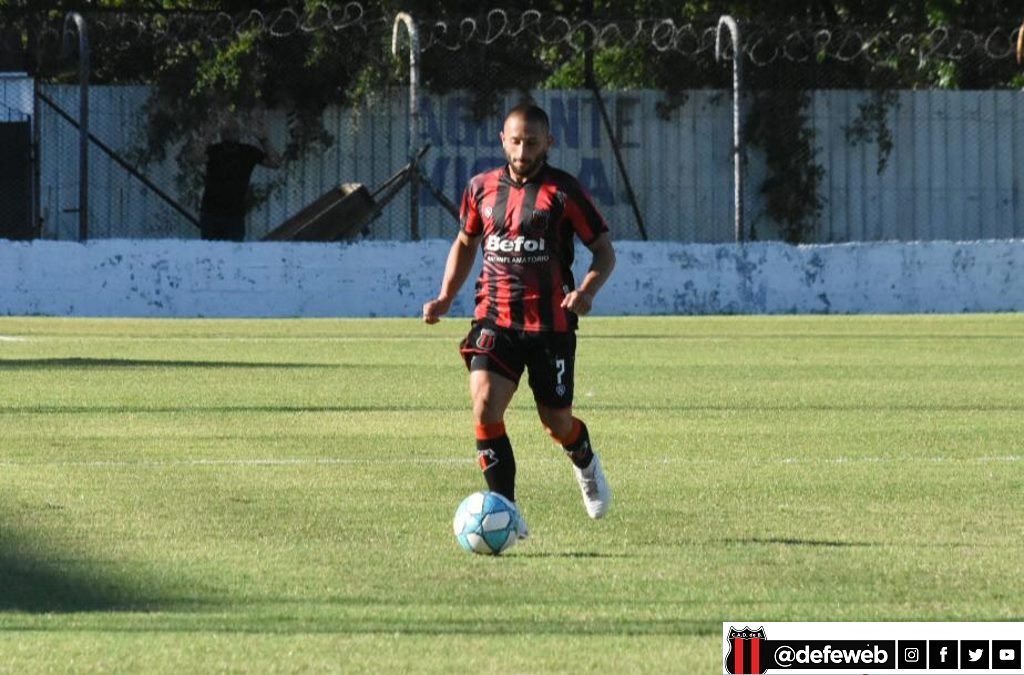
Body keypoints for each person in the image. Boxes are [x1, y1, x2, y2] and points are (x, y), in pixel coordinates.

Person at [422, 102, 617, 537]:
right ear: (502, 141)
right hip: (495, 320)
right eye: (516, 141)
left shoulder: (564, 192)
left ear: (549, 142)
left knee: (557, 423)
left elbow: (604, 251)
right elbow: (465, 242)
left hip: (551, 326)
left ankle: (585, 461)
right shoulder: (480, 188)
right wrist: (445, 297)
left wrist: (586, 292)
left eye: (532, 142)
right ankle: (506, 511)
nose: (523, 151)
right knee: (484, 404)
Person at [196, 111, 282, 241]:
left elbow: (276, 163)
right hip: (211, 213)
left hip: (234, 215)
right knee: (210, 250)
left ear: (240, 133)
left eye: (234, 131)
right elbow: (195, 158)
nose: (230, 135)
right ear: (221, 134)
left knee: (234, 251)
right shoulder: (214, 151)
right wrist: (208, 136)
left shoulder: (248, 152)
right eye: (226, 131)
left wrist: (263, 139)